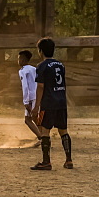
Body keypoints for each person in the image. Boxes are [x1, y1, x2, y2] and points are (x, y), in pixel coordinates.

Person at [31, 37, 72, 170]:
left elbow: (41, 87)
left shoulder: (41, 66)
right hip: (61, 101)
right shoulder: (60, 65)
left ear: (40, 51)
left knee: (45, 131)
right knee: (63, 130)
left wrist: (36, 106)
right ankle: (68, 160)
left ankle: (46, 162)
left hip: (48, 102)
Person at [17, 50, 42, 142]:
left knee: (28, 120)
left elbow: (25, 86)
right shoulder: (34, 69)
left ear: (23, 60)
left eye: (19, 59)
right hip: (37, 95)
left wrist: (25, 102)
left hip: (30, 97)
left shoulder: (23, 71)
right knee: (35, 118)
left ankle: (42, 138)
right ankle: (42, 136)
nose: (18, 61)